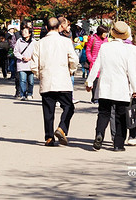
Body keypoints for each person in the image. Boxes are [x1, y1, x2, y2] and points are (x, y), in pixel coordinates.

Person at [86, 21, 136, 151]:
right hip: (121, 88)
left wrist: (89, 82)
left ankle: (99, 134)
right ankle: (118, 144)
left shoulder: (105, 47)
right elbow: (131, 71)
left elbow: (96, 65)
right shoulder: (127, 50)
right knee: (120, 116)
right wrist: (135, 88)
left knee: (103, 113)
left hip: (105, 87)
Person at [31, 17, 79, 146]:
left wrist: (40, 75)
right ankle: (62, 127)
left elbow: (34, 65)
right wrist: (71, 70)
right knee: (69, 106)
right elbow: (74, 59)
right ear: (59, 27)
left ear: (46, 28)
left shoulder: (39, 43)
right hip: (63, 79)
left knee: (48, 111)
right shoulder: (66, 42)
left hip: (47, 80)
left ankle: (49, 137)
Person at [86, 26, 109, 103]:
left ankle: (100, 97)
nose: (106, 34)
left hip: (103, 63)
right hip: (94, 62)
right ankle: (95, 98)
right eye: (105, 32)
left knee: (102, 81)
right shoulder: (93, 39)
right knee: (94, 81)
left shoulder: (106, 40)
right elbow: (88, 49)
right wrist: (91, 59)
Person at [14, 27, 36, 100]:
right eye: (23, 32)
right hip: (21, 64)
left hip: (30, 64)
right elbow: (15, 52)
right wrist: (22, 57)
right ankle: (23, 94)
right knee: (22, 80)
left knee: (31, 81)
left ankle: (30, 93)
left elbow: (36, 52)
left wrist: (31, 57)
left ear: (30, 33)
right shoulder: (19, 41)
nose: (24, 33)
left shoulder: (34, 42)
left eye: (26, 32)